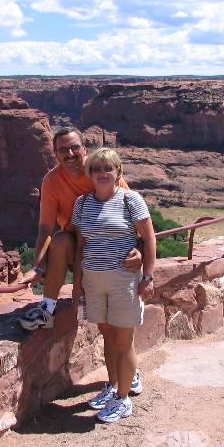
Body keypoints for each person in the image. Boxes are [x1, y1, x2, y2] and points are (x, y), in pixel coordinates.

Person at [17, 128, 141, 331]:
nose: (70, 154)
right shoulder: (52, 181)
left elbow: (134, 215)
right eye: (63, 150)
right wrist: (38, 267)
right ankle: (47, 310)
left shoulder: (101, 172)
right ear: (55, 154)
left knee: (118, 330)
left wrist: (139, 251)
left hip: (113, 249)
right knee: (60, 240)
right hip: (79, 248)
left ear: (84, 149)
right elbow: (46, 229)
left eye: (75, 147)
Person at [70, 148, 156, 423]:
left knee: (123, 340)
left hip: (123, 279)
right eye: (96, 169)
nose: (102, 173)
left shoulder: (131, 200)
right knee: (107, 335)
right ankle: (113, 386)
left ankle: (123, 399)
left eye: (108, 168)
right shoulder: (82, 203)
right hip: (93, 279)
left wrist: (148, 276)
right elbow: (81, 245)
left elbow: (149, 238)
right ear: (90, 174)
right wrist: (77, 284)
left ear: (118, 171)